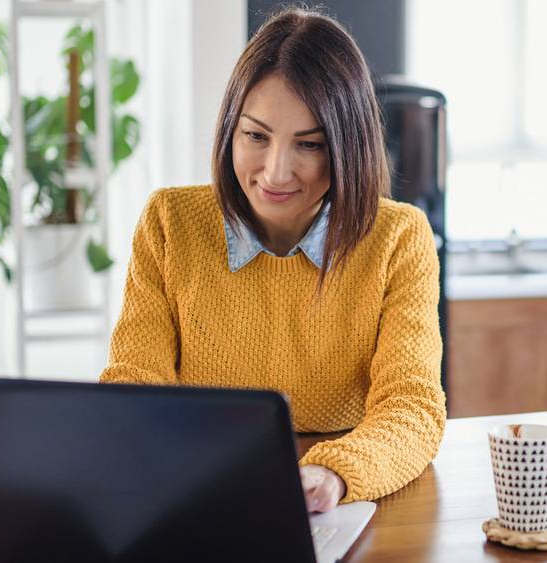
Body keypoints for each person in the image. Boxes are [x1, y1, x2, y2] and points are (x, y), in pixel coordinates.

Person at [100, 7, 446, 514]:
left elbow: (413, 406)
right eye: (256, 136)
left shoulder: (398, 237)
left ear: (349, 149)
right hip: (196, 490)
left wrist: (335, 471)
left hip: (340, 501)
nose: (276, 172)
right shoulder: (169, 221)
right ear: (229, 130)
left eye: (309, 145)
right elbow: (135, 385)